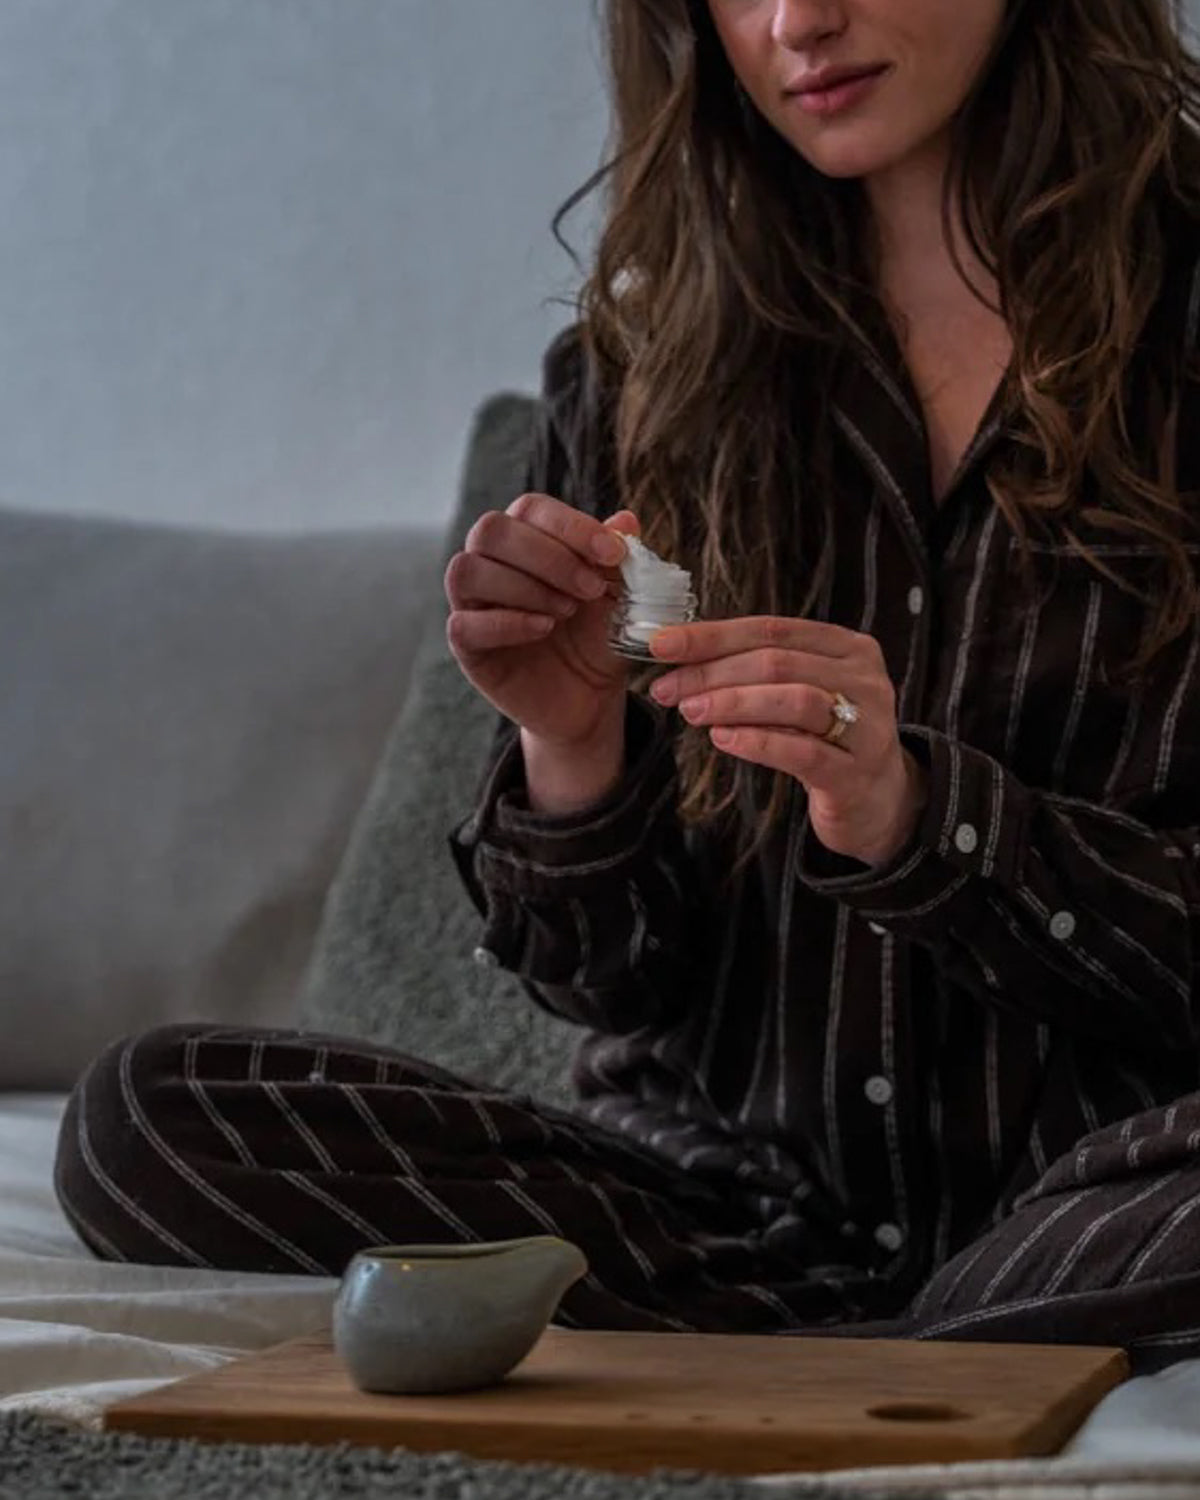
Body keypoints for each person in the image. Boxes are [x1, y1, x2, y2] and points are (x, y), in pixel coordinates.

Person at [55, 0, 1200, 1367]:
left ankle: (940, 1330)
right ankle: (933, 1345)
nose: (798, 21)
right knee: (145, 1117)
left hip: (1101, 1192)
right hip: (713, 1209)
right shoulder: (648, 371)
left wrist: (922, 820)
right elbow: (615, 981)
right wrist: (570, 748)